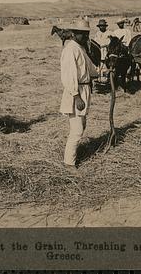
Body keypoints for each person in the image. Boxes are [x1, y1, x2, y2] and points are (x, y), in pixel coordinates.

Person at [59, 20, 99, 172]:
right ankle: (69, 164)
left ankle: (73, 156)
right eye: (83, 34)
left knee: (81, 126)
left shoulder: (80, 48)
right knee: (76, 130)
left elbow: (90, 68)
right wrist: (76, 96)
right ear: (74, 34)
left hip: (83, 90)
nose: (86, 36)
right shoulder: (70, 50)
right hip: (75, 92)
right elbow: (68, 76)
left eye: (87, 33)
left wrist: (102, 73)